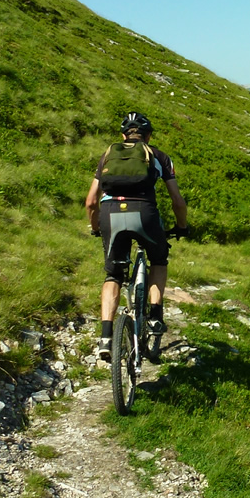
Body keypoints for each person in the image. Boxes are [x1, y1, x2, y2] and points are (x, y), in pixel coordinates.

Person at [85, 112, 188, 361]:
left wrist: (96, 227)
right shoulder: (158, 156)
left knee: (113, 275)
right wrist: (182, 226)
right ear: (148, 136)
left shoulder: (107, 155)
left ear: (123, 136)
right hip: (144, 213)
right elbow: (177, 200)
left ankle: (106, 336)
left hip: (110, 214)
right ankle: (154, 317)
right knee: (159, 260)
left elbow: (90, 202)